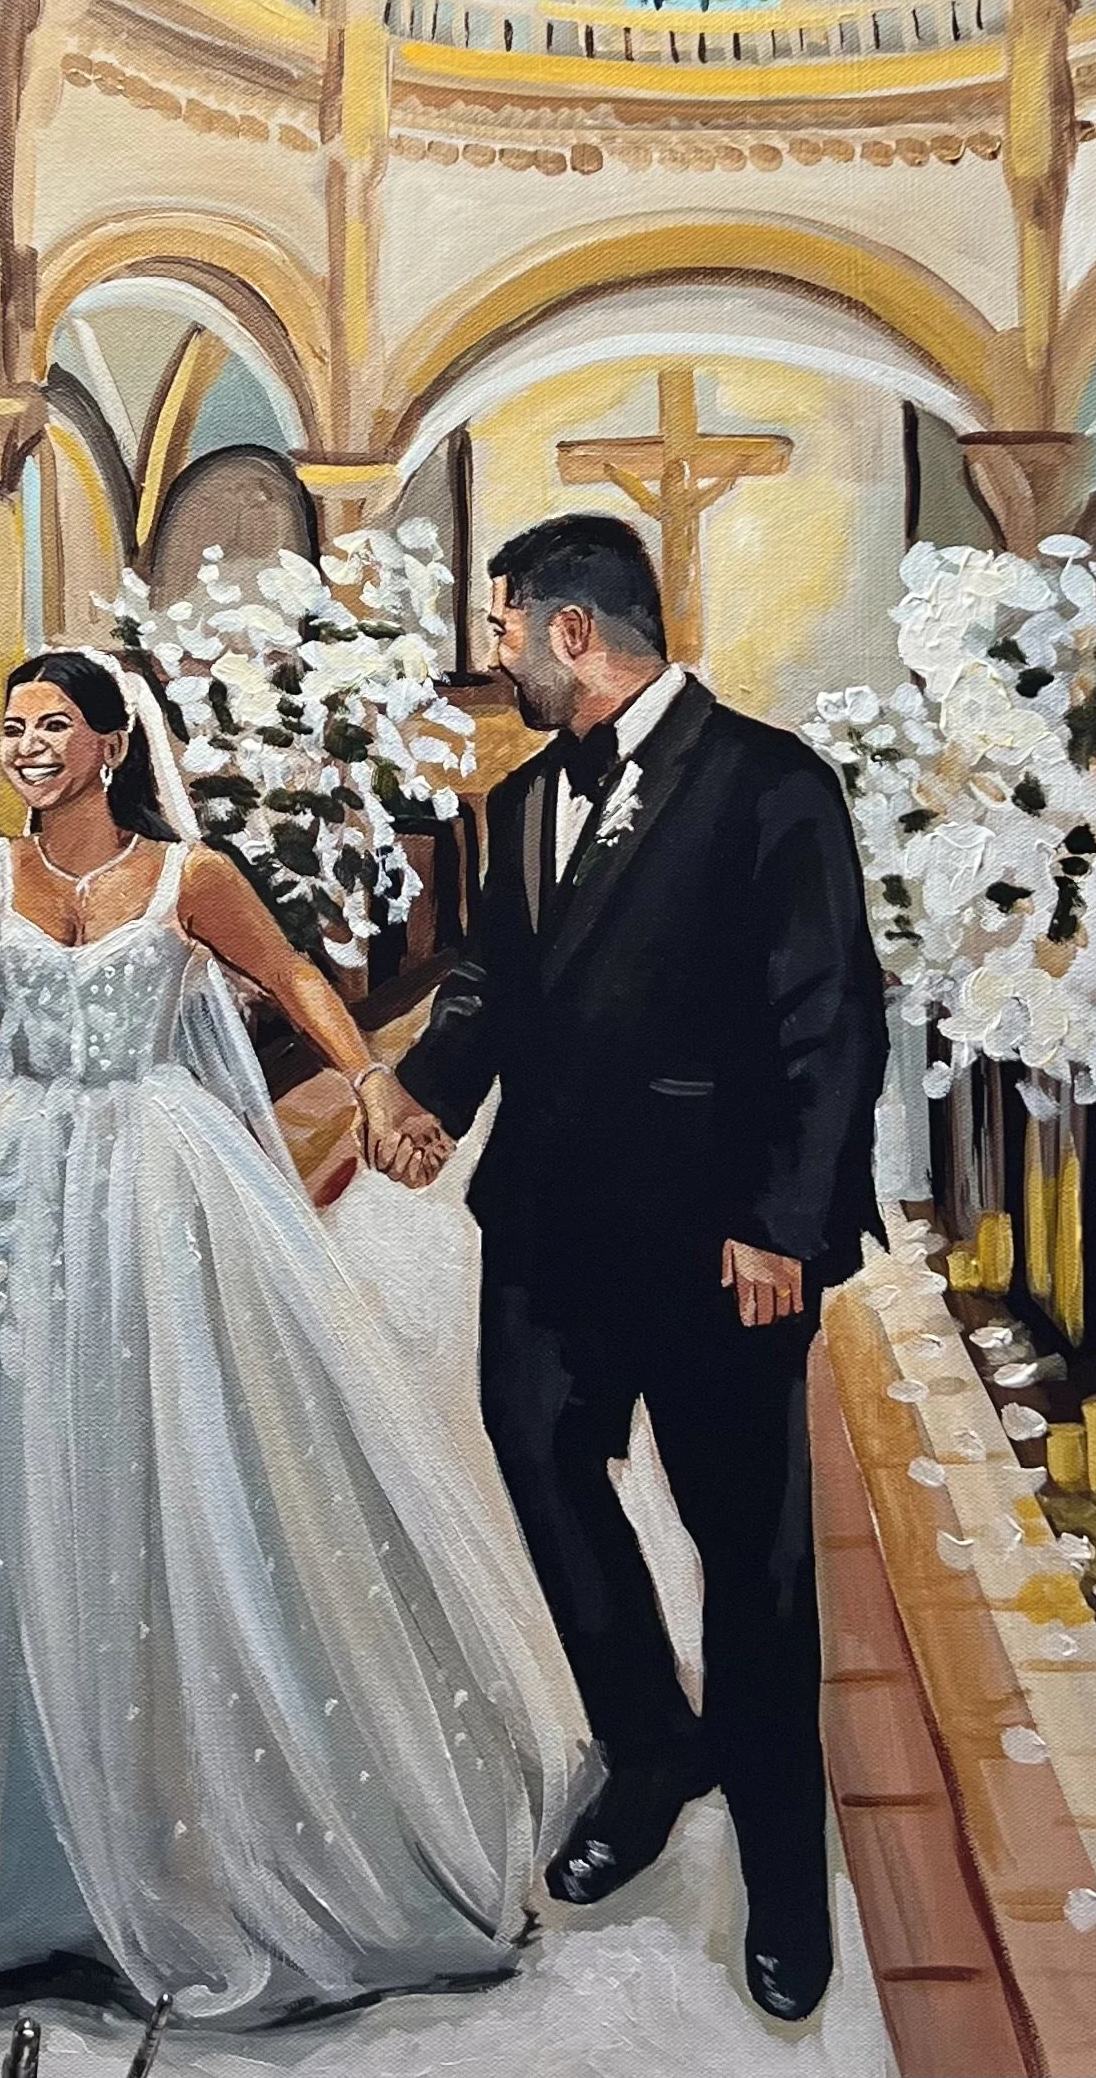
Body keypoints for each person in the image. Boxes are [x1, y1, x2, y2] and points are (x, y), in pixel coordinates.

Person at [0, 648, 588, 2030]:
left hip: (157, 1173)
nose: (28, 748)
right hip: (9, 1176)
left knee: (181, 1461)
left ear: (110, 742)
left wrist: (370, 1087)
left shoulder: (190, 877)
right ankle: (6, 1847)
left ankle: (208, 1833)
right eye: (13, 729)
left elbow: (290, 977)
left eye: (53, 727)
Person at [370, 515, 887, 2024]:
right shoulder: (525, 798)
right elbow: (491, 988)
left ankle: (786, 1883)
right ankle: (651, 1747)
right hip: (546, 1230)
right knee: (538, 1462)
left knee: (753, 1559)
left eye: (503, 627)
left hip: (719, 1242)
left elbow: (827, 1020)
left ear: (571, 631)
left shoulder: (770, 784)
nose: (494, 653)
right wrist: (430, 1097)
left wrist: (785, 1225)